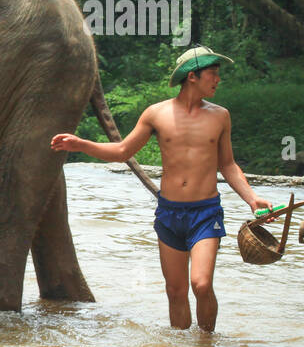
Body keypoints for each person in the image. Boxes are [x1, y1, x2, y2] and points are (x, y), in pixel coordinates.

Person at [51, 45, 271, 331]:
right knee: (175, 291)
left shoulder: (220, 116)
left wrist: (252, 198)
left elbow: (227, 165)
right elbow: (121, 151)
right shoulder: (157, 114)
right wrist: (81, 144)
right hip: (169, 213)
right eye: (213, 74)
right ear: (192, 76)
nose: (218, 80)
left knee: (201, 284)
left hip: (205, 212)